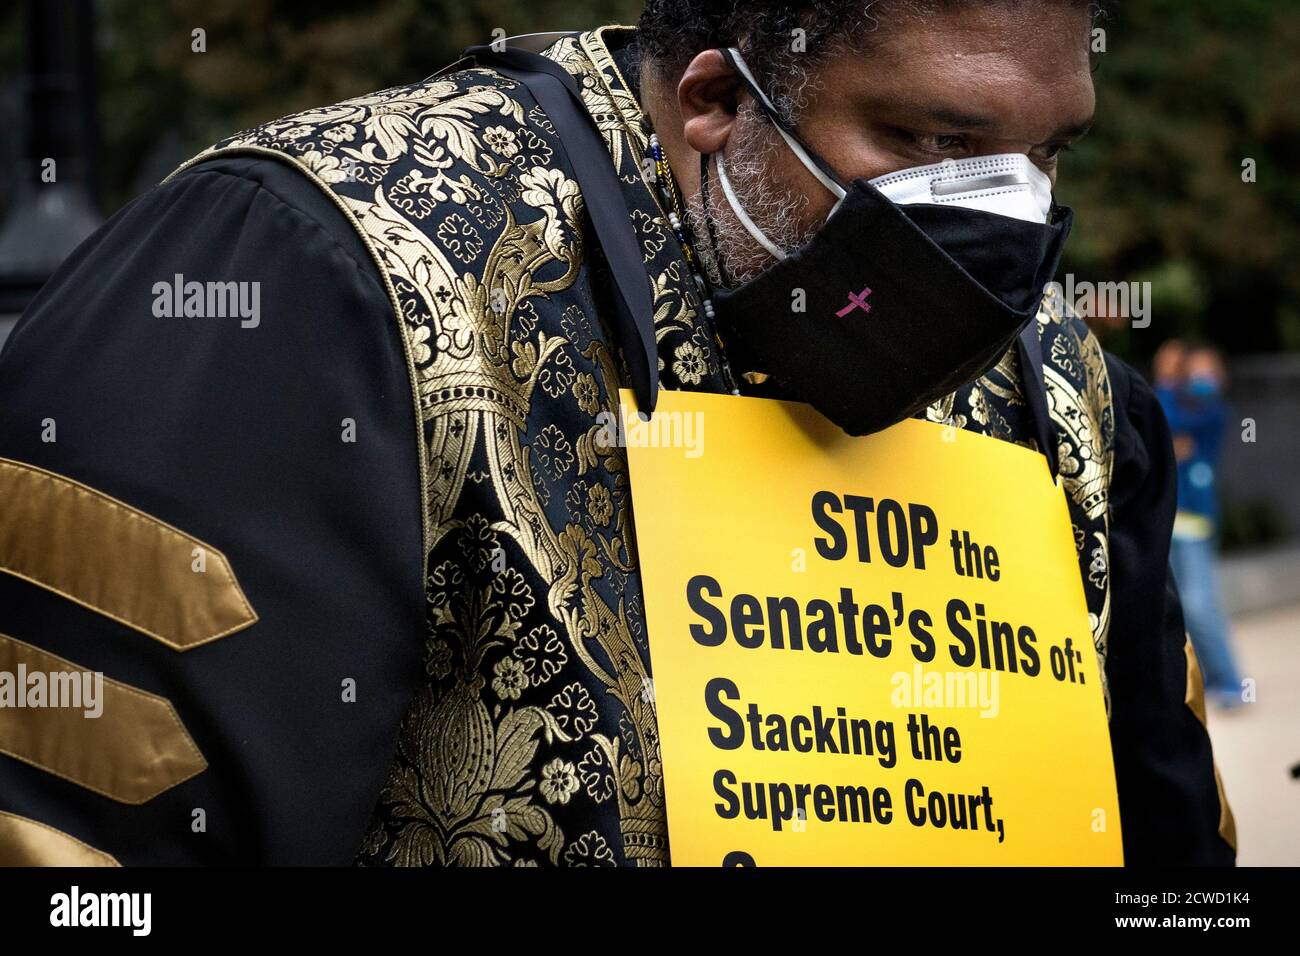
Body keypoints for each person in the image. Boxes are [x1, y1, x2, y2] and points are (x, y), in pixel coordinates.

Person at [0, 1, 1234, 865]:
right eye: (935, 142)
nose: (1006, 224)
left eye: (1048, 152)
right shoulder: (325, 277)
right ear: (713, 98)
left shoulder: (1068, 394)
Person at [1155, 342, 1244, 710]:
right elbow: (1160, 427)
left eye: (1210, 369)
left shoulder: (1214, 412)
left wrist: (1164, 383)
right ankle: (1199, 681)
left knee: (1199, 603)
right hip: (1170, 521)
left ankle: (1230, 680)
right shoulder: (1180, 403)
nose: (1202, 376)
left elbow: (1170, 423)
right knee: (1176, 608)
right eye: (1195, 369)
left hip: (1196, 524)